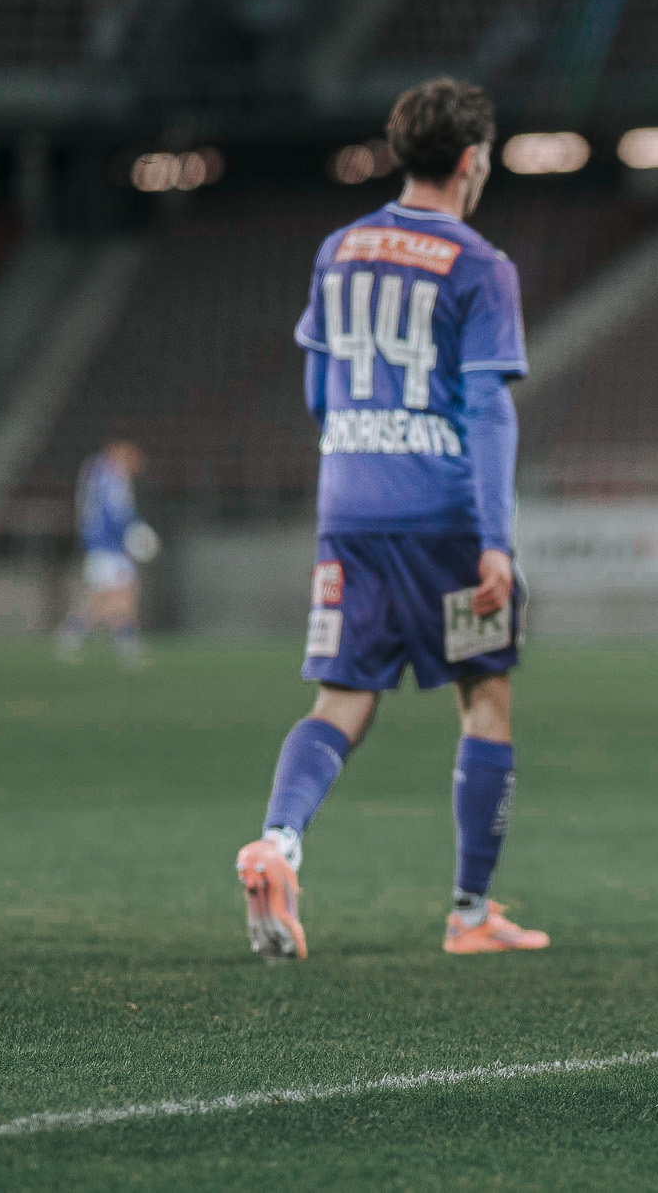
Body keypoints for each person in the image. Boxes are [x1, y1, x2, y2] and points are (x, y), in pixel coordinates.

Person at [234, 77, 549, 961]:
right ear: (471, 160)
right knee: (485, 698)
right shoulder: (481, 265)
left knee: (341, 695)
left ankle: (278, 842)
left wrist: (357, 459)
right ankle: (469, 910)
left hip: (351, 506)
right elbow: (488, 410)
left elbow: (316, 384)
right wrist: (494, 541)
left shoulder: (340, 248)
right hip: (445, 514)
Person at [56, 440, 157, 667]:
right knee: (119, 599)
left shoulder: (95, 472)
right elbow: (116, 514)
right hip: (110, 547)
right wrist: (135, 531)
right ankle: (124, 649)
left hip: (98, 546)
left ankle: (74, 638)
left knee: (107, 600)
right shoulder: (112, 477)